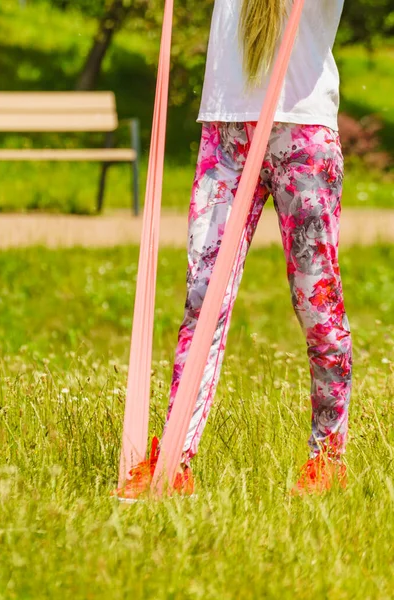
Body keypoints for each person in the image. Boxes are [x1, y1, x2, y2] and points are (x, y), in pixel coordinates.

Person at [116, 0, 352, 499]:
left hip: (301, 129)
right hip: (226, 129)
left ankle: (327, 456)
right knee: (203, 299)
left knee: (318, 304)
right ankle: (174, 461)